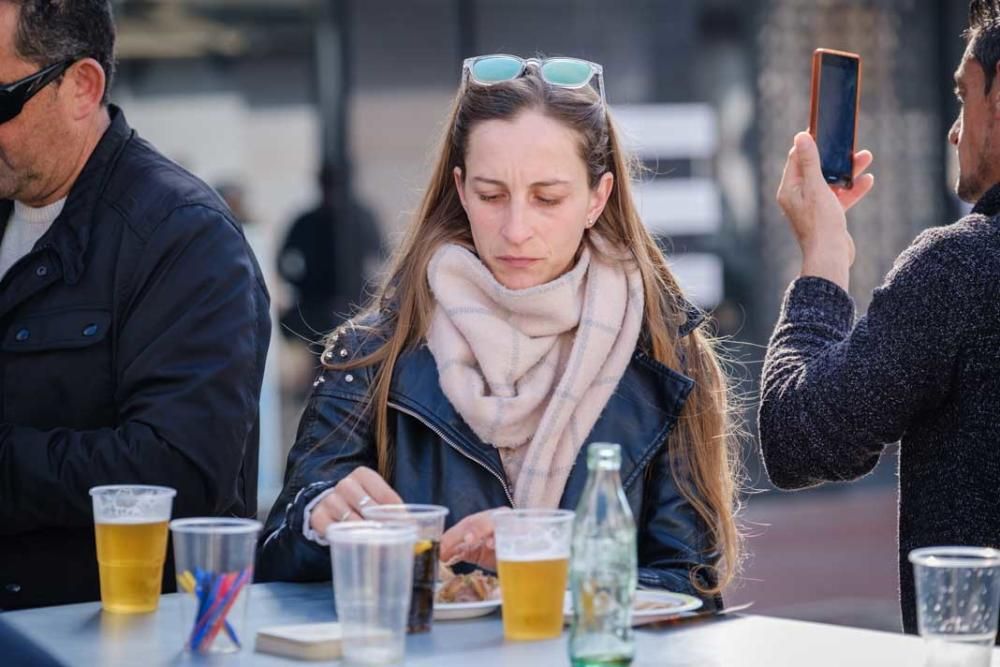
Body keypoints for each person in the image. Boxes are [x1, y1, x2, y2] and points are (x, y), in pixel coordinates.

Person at [257, 54, 742, 607]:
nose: (515, 229)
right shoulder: (373, 352)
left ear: (597, 198)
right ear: (460, 191)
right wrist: (317, 519)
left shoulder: (666, 356)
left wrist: (539, 562)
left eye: (547, 198)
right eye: (491, 196)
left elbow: (691, 591)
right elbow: (274, 565)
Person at [0, 1, 270, 610]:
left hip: (110, 631)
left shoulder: (184, 236)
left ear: (82, 87)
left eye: (1, 100)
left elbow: (179, 470)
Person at [759, 0, 1000, 636]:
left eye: (963, 95)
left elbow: (798, 436)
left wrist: (822, 257)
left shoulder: (960, 270)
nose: (956, 128)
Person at [277, 162, 383, 344]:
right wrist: (303, 285)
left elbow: (381, 259)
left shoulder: (362, 219)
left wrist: (368, 290)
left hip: (354, 306)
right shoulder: (306, 222)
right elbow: (284, 262)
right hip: (315, 311)